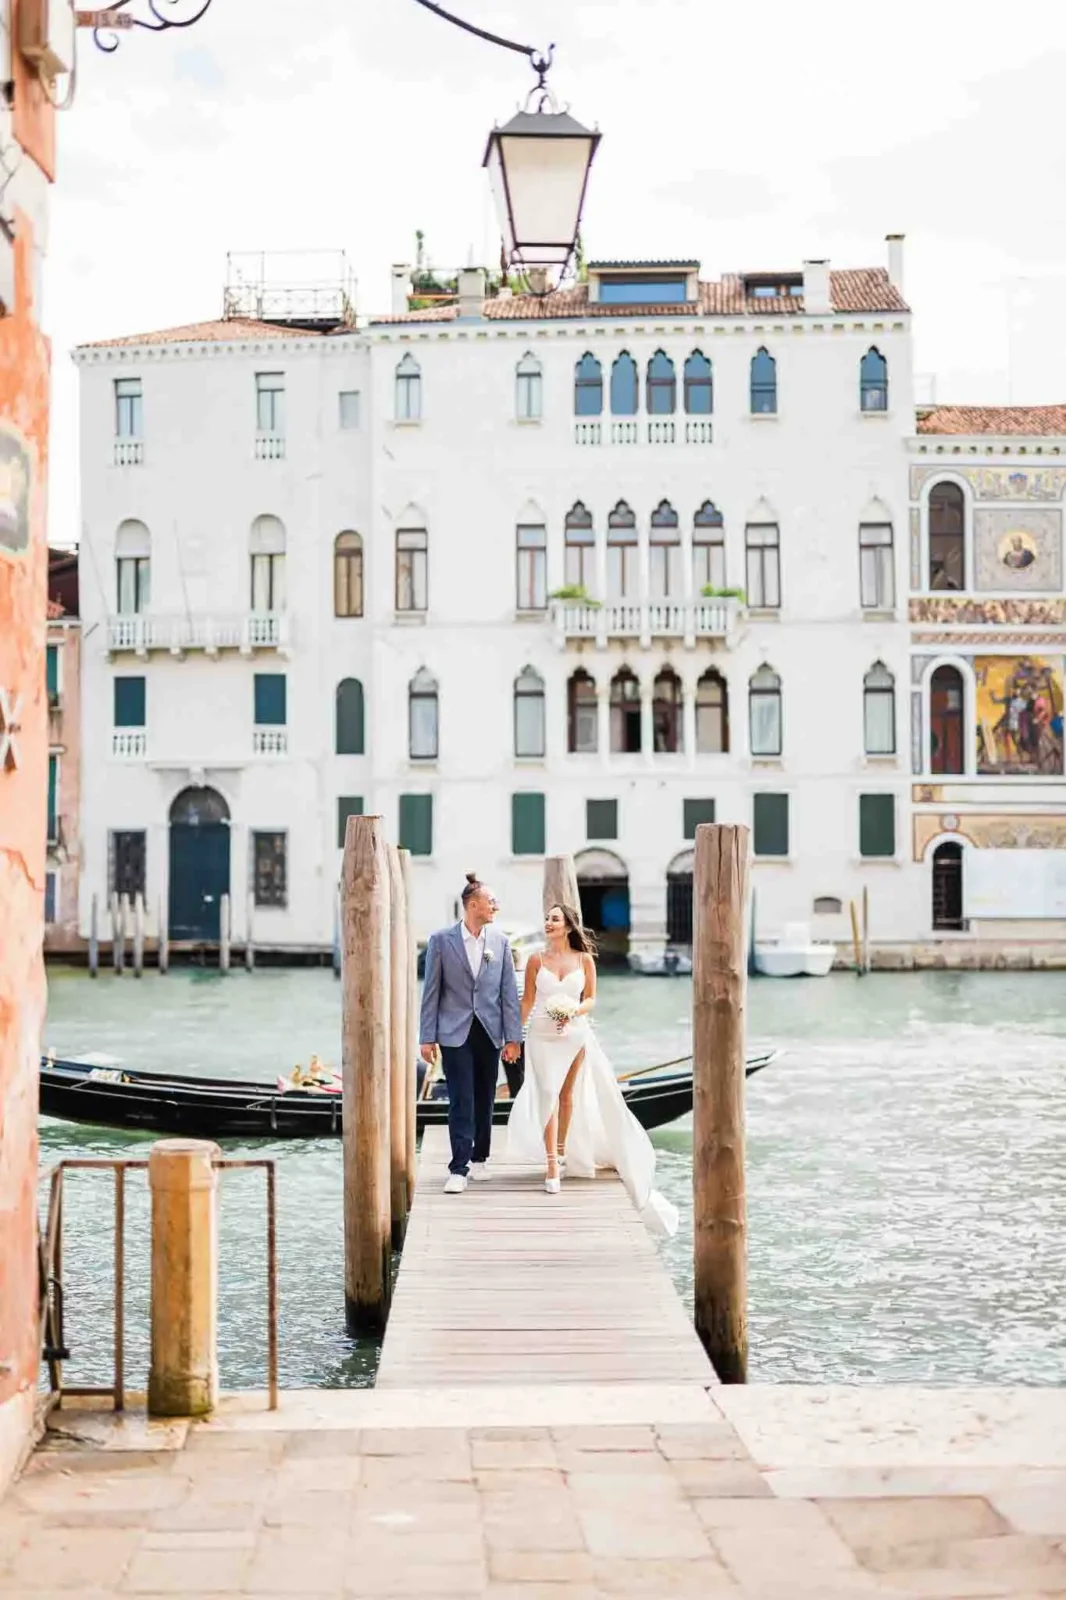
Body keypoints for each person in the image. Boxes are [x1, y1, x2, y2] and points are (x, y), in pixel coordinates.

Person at [507, 903, 678, 1238]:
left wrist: (571, 1012)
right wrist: (514, 1036)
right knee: (546, 1094)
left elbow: (591, 1000)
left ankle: (562, 1152)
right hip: (541, 1034)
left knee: (567, 1095)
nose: (549, 923)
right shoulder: (535, 960)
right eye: (547, 918)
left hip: (575, 1033)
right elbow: (527, 1001)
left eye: (554, 919)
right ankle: (552, 1165)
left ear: (569, 925)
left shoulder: (584, 960)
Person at [419, 874, 521, 1194]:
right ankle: (458, 1168)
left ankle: (480, 1159)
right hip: (453, 1031)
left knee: (485, 1097)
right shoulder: (441, 940)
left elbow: (508, 994)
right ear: (473, 904)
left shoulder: (501, 942)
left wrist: (513, 1038)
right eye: (491, 902)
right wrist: (427, 1036)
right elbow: (431, 992)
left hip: (490, 1031)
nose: (496, 907)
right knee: (461, 1098)